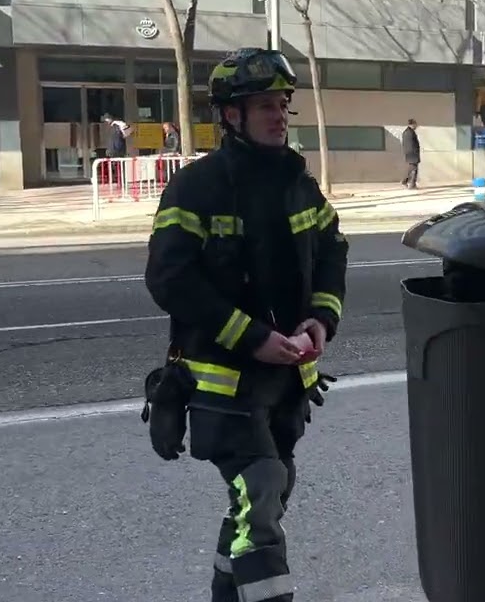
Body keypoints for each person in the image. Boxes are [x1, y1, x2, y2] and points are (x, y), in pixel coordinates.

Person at [141, 47, 349, 602]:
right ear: (231, 115)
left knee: (266, 494)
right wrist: (253, 337)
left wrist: (321, 319)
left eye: (283, 104)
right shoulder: (196, 188)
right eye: (264, 105)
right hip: (219, 383)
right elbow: (169, 279)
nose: (279, 115)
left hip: (285, 382)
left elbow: (333, 249)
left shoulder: (295, 182)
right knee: (259, 492)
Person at [401, 118, 420, 188]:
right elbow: (412, 144)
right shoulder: (410, 132)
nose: (416, 126)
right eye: (415, 125)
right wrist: (415, 153)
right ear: (412, 124)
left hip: (409, 154)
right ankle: (412, 184)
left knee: (411, 169)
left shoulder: (406, 132)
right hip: (413, 154)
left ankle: (405, 181)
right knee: (414, 169)